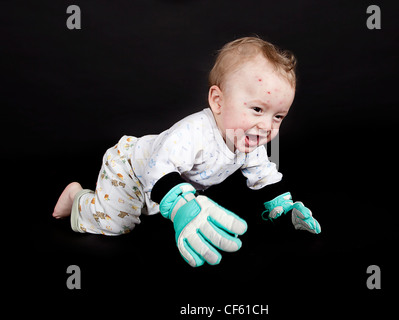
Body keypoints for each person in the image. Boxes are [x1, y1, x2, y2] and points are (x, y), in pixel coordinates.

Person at [52, 36, 321, 267]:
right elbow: (158, 168)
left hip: (163, 183)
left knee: (150, 212)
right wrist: (182, 207)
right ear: (218, 101)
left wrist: (287, 209)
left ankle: (147, 203)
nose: (266, 126)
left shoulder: (249, 141)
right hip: (131, 169)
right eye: (257, 109)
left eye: (278, 117)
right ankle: (78, 198)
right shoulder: (194, 132)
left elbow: (264, 176)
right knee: (116, 226)